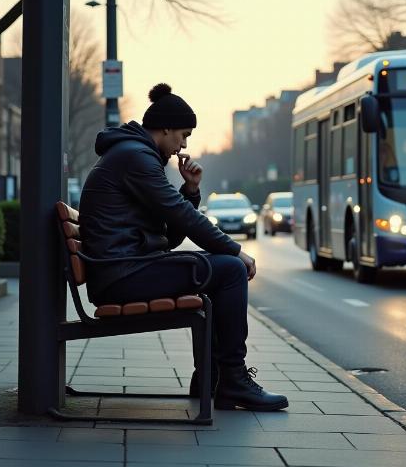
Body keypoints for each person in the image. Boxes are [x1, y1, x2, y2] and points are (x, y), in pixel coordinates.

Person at [78, 83, 288, 412]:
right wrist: (236, 250)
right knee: (230, 269)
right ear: (165, 129)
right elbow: (183, 219)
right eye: (183, 135)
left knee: (219, 267)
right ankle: (231, 380)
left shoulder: (134, 155)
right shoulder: (135, 158)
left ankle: (212, 377)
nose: (184, 145)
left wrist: (190, 190)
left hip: (125, 267)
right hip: (122, 275)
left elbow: (169, 236)